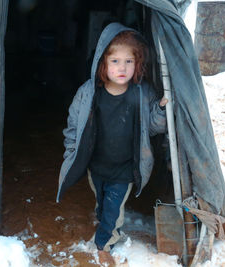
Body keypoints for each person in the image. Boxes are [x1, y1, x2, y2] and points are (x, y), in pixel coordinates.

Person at [56, 22, 168, 266]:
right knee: (102, 202)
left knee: (113, 208)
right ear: (102, 63)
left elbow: (153, 127)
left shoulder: (141, 92)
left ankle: (104, 243)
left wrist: (160, 109)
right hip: (96, 165)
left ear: (137, 64)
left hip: (125, 168)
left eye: (129, 61)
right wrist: (72, 150)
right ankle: (104, 221)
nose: (122, 68)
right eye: (115, 61)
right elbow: (73, 125)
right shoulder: (88, 93)